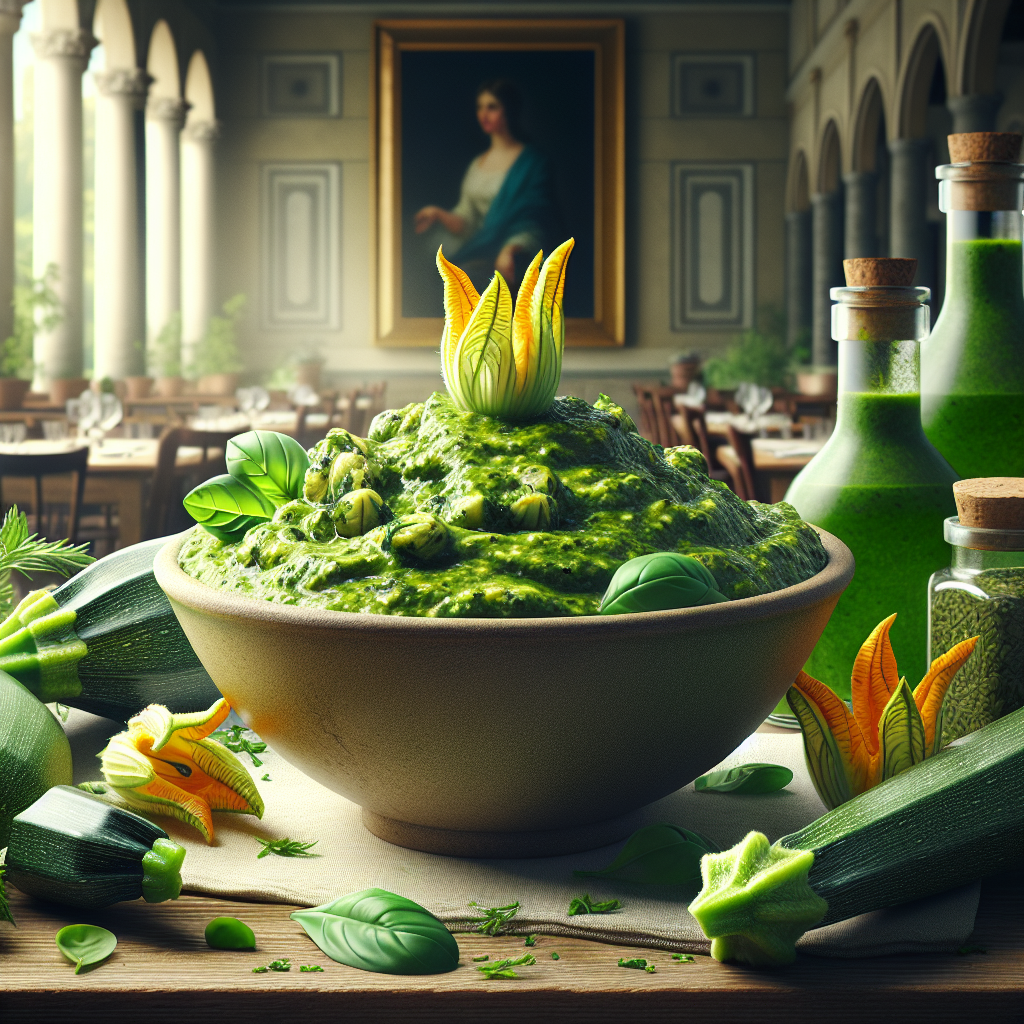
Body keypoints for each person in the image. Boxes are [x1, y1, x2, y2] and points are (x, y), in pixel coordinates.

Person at [413, 79, 560, 292]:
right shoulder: (477, 164)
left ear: (508, 109)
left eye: (492, 107)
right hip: (480, 246)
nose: (484, 114)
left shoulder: (533, 163)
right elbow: (467, 219)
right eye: (480, 107)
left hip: (517, 253)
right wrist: (438, 214)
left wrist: (512, 249)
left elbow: (536, 221)